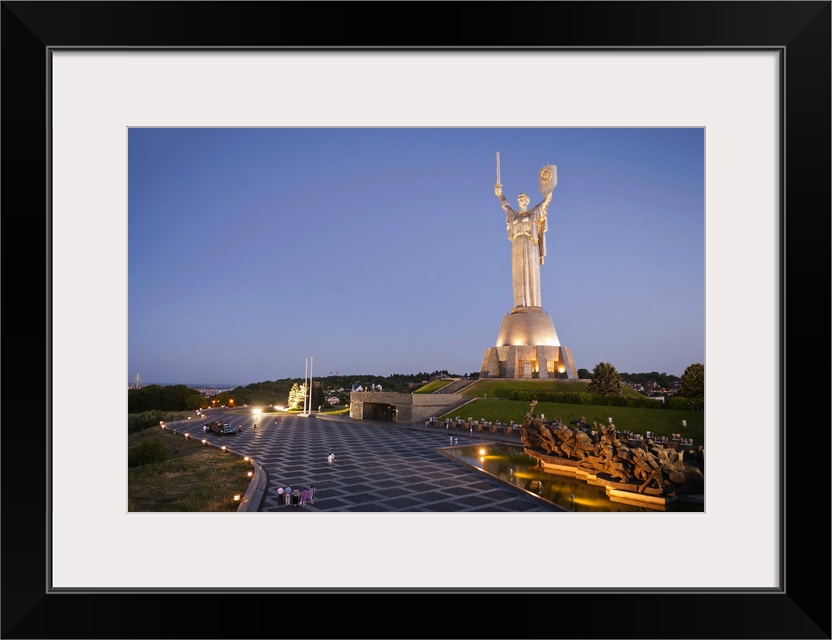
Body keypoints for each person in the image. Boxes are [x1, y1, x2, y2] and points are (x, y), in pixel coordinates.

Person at [494, 165, 555, 308]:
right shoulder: (513, 215)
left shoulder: (533, 213)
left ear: (527, 201)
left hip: (530, 244)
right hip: (516, 246)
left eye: (523, 198)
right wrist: (500, 194)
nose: (520, 200)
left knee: (531, 273)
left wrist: (548, 185)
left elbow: (546, 202)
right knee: (518, 276)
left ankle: (533, 306)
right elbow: (505, 206)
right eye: (519, 198)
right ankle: (520, 306)